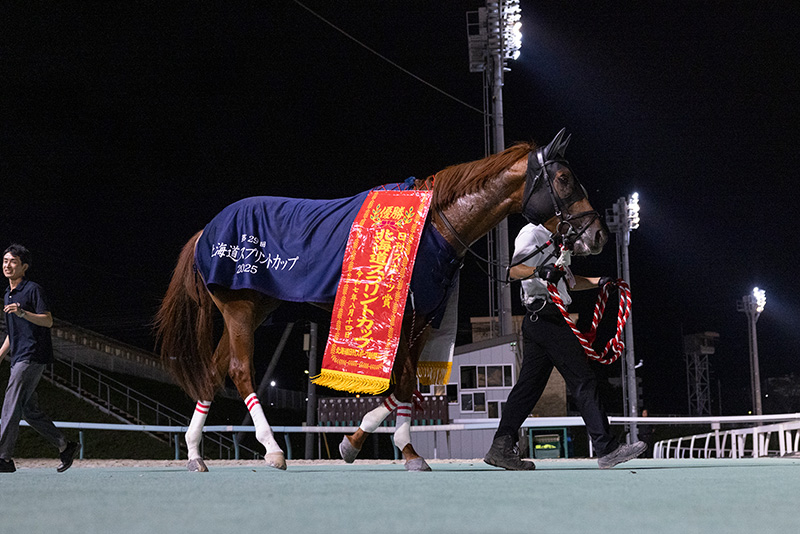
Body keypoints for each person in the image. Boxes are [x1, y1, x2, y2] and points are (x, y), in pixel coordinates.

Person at [484, 223, 646, 470]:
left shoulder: (555, 240)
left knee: (528, 388)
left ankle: (501, 447)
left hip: (541, 319)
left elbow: (567, 281)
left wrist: (598, 281)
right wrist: (540, 270)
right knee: (582, 380)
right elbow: (513, 271)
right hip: (547, 318)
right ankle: (607, 448)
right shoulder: (531, 233)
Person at [0, 244, 78, 473]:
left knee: (11, 403)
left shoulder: (33, 290)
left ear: (24, 266)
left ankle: (3, 458)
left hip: (33, 355)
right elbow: (11, 333)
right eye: (5, 260)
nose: (7, 265)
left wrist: (23, 312)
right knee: (27, 410)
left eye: (12, 261)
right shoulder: (8, 295)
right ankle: (65, 445)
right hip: (19, 356)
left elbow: (48, 320)